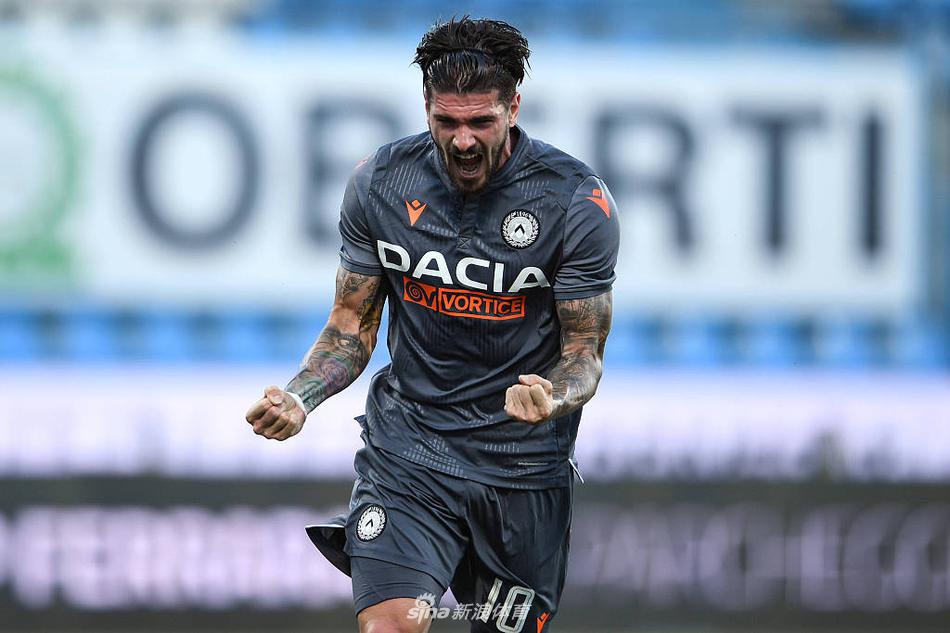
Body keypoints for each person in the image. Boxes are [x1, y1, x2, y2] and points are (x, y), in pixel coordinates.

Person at [245, 16, 619, 633]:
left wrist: (552, 395)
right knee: (391, 623)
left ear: (514, 108)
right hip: (411, 453)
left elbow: (585, 352)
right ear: (426, 108)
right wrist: (300, 395)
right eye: (446, 121)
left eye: (481, 122)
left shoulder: (576, 202)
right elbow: (351, 327)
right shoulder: (380, 184)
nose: (463, 140)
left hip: (522, 471)